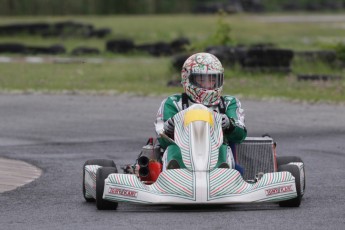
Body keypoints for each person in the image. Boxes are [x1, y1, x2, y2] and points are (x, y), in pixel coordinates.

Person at [154, 52, 247, 170]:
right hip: (183, 152)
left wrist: (230, 125)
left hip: (217, 152)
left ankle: (222, 171)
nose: (208, 84)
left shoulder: (228, 103)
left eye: (213, 79)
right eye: (202, 79)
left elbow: (241, 135)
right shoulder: (173, 103)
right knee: (173, 148)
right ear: (187, 78)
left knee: (222, 148)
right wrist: (168, 129)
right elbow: (161, 137)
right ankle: (174, 171)